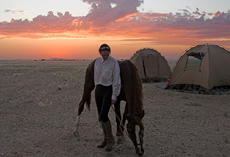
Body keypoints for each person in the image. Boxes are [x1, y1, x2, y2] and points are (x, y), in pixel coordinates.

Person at [94, 43, 121, 151]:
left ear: (109, 53)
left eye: (107, 54)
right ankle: (105, 139)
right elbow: (96, 76)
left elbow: (116, 79)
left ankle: (110, 139)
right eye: (103, 55)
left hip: (108, 89)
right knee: (100, 116)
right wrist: (97, 87)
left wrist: (114, 95)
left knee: (104, 115)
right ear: (100, 53)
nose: (105, 56)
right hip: (99, 89)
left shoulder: (113, 62)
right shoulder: (97, 62)